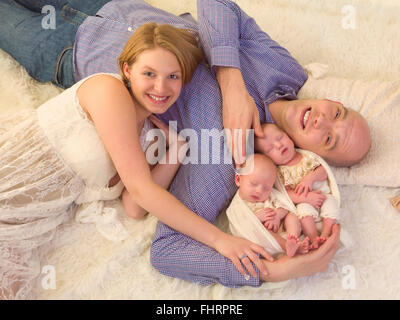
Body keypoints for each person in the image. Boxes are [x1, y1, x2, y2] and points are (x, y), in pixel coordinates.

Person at [0, 0, 350, 288]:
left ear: (313, 154)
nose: (323, 120)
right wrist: (231, 82)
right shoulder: (286, 69)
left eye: (329, 138)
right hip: (112, 7)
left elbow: (167, 248)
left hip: (66, 52)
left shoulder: (223, 164)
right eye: (338, 111)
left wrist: (272, 271)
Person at [255, 123, 341, 249]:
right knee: (303, 211)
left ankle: (326, 233)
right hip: (304, 202)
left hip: (324, 195)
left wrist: (310, 179)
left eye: (280, 138)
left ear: (287, 135)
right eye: (270, 149)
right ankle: (313, 238)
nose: (279, 145)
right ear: (268, 159)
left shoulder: (307, 157)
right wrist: (306, 198)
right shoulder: (280, 173)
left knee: (331, 202)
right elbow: (286, 194)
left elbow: (323, 171)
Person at [227, 153, 310, 257]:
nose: (259, 191)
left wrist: (277, 216)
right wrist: (257, 218)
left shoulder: (271, 195)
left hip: (282, 230)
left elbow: (285, 205)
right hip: (263, 238)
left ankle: (293, 240)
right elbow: (240, 226)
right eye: (253, 184)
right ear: (238, 180)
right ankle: (286, 246)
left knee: (292, 217)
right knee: (263, 230)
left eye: (266, 188)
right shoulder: (238, 205)